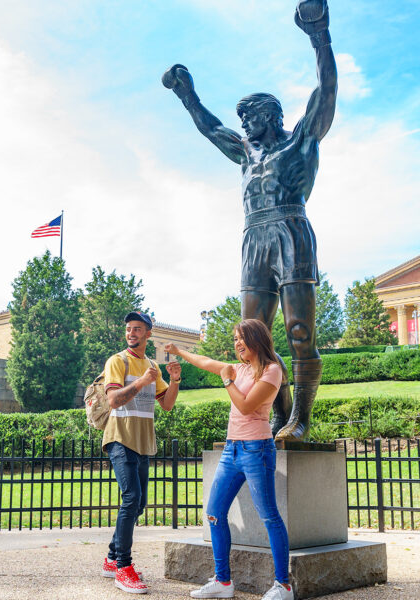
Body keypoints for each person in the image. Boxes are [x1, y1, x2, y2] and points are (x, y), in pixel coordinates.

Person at [162, 0, 337, 441]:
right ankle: (276, 415)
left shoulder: (299, 141)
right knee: (254, 338)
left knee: (299, 330)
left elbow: (327, 91)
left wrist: (319, 36)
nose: (243, 122)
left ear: (271, 115)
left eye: (251, 116)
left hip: (290, 230)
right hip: (253, 237)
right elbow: (209, 127)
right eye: (242, 118)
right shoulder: (245, 153)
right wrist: (187, 94)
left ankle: (300, 418)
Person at [165, 319, 293, 600]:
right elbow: (203, 360)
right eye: (234, 338)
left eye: (241, 338)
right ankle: (223, 582)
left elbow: (246, 406)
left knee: (269, 516)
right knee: (214, 513)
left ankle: (283, 585)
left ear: (257, 339)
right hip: (231, 450)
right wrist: (179, 351)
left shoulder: (271, 371)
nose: (236, 343)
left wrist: (226, 379)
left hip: (257, 450)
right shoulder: (239, 368)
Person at [101, 311, 181, 594]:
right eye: (128, 329)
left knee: (139, 503)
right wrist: (141, 382)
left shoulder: (151, 366)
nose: (131, 333)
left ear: (148, 333)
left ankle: (111, 557)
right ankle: (123, 567)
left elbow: (167, 405)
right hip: (120, 439)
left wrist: (174, 381)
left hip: (142, 441)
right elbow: (113, 400)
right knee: (131, 497)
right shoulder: (118, 361)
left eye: (137, 329)